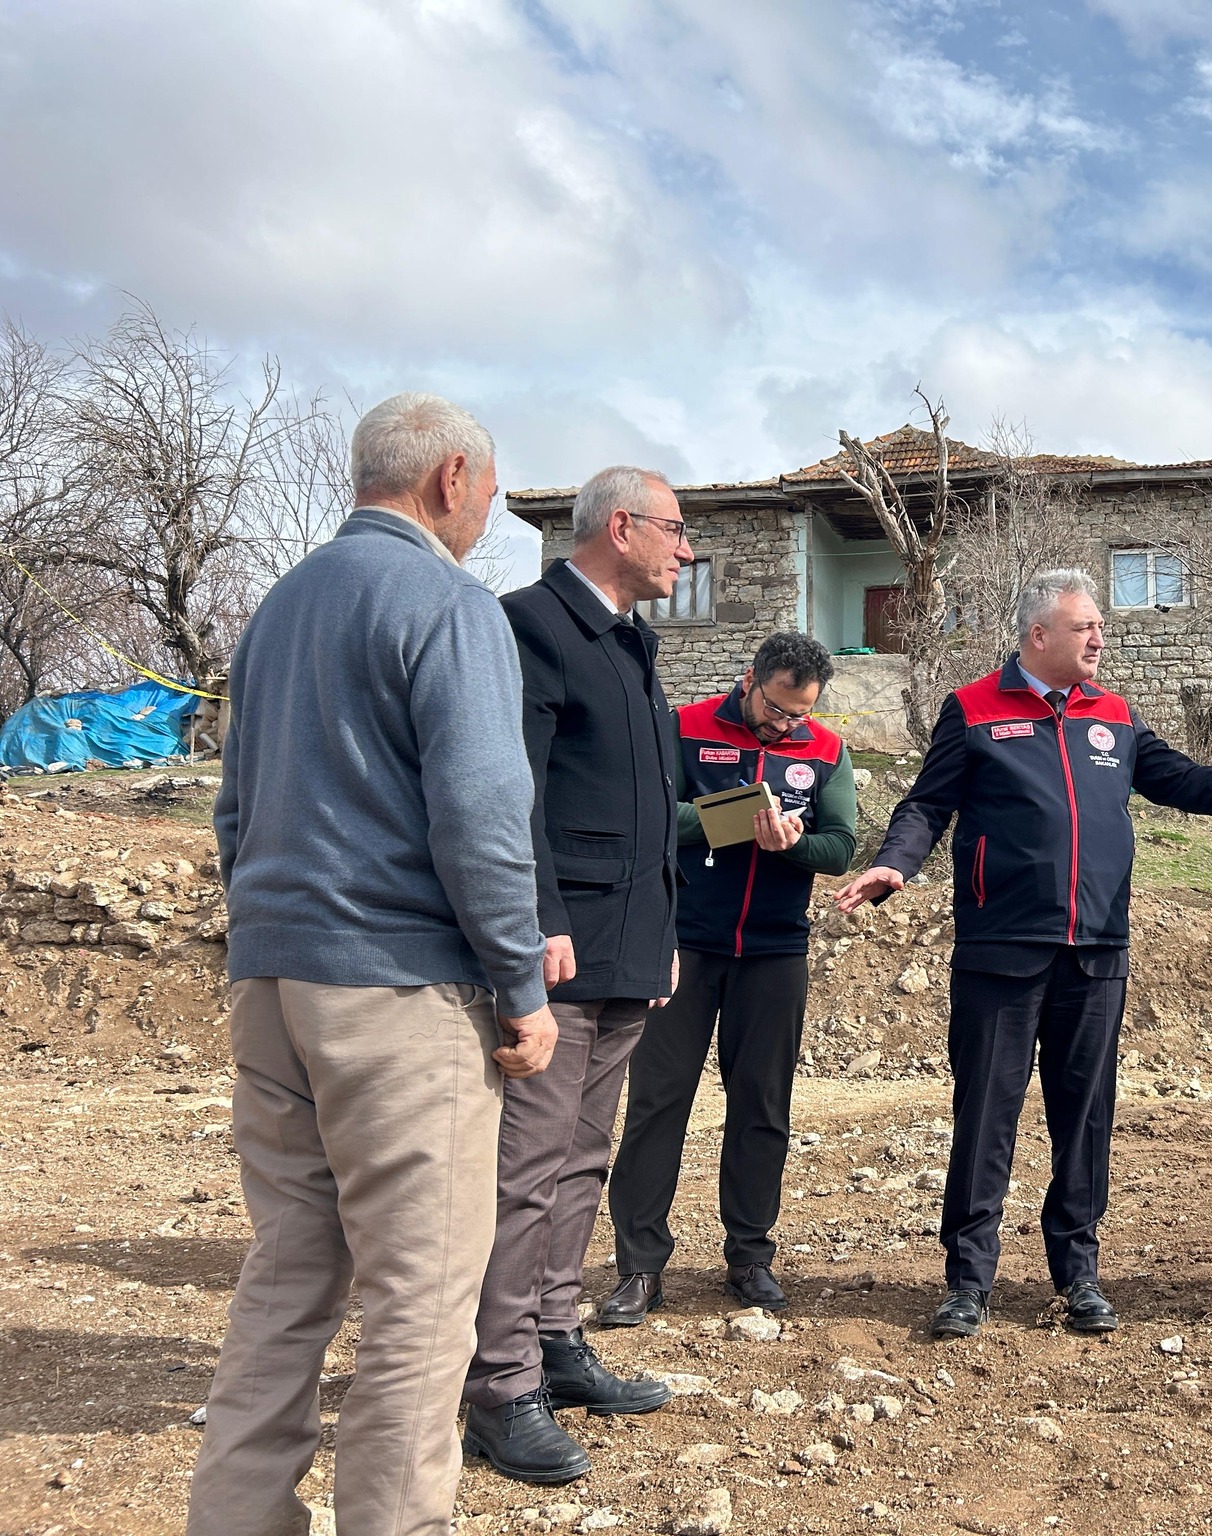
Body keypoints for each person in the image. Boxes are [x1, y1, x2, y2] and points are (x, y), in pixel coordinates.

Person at [190, 394, 554, 1536]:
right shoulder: (448, 603)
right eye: (489, 493)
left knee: (289, 1274)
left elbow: (236, 811)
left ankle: (236, 1518)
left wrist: (274, 926)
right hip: (398, 993)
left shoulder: (279, 610)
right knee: (420, 1299)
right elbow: (484, 816)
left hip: (274, 980)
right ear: (451, 477)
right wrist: (522, 986)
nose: (488, 514)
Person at [835, 569, 1212, 1339]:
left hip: (1098, 948)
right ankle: (969, 1282)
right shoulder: (972, 709)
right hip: (1000, 950)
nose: (1101, 638)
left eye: (1100, 626)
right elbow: (929, 802)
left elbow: (1183, 781)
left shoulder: (1116, 715)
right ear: (1040, 637)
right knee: (986, 1119)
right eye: (1086, 627)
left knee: (1086, 1121)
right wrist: (897, 862)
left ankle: (1079, 1276)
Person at [460, 467, 687, 1484]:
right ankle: (498, 1387)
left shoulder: (633, 643)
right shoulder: (532, 625)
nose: (685, 553)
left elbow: (647, 807)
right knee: (527, 1173)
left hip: (628, 951)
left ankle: (554, 1340)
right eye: (676, 532)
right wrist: (538, 920)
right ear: (623, 527)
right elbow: (513, 789)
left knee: (582, 1160)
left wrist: (662, 933)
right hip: (560, 952)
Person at [600, 632, 857, 1325]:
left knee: (761, 1108)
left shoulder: (827, 751)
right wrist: (744, 819)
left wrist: (798, 841)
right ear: (750, 680)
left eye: (801, 714)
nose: (787, 725)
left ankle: (749, 1255)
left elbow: (841, 846)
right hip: (683, 947)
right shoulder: (681, 728)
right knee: (658, 1105)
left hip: (775, 953)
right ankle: (640, 1266)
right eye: (778, 709)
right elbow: (650, 816)